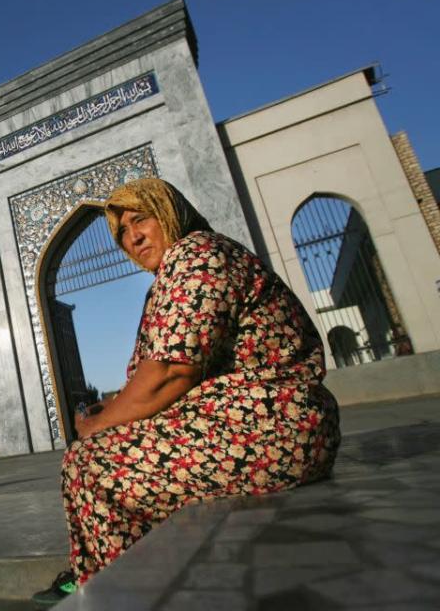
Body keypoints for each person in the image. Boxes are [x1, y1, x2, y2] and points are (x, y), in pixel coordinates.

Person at [32, 178, 341, 608]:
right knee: (96, 453)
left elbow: (171, 372)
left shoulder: (197, 254)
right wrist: (113, 408)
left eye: (141, 219)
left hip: (277, 425)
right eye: (122, 232)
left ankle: (123, 592)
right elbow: (159, 371)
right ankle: (105, 578)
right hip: (244, 423)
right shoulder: (173, 274)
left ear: (170, 211)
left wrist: (98, 424)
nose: (132, 237)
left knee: (92, 464)